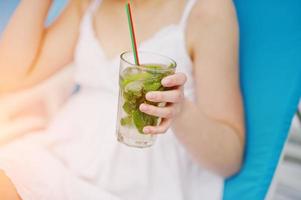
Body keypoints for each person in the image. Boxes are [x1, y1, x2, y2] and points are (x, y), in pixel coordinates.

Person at [0, 0, 245, 199]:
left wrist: (180, 112)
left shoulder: (207, 10)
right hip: (59, 158)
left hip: (141, 185)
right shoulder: (88, 5)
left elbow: (229, 158)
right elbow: (12, 73)